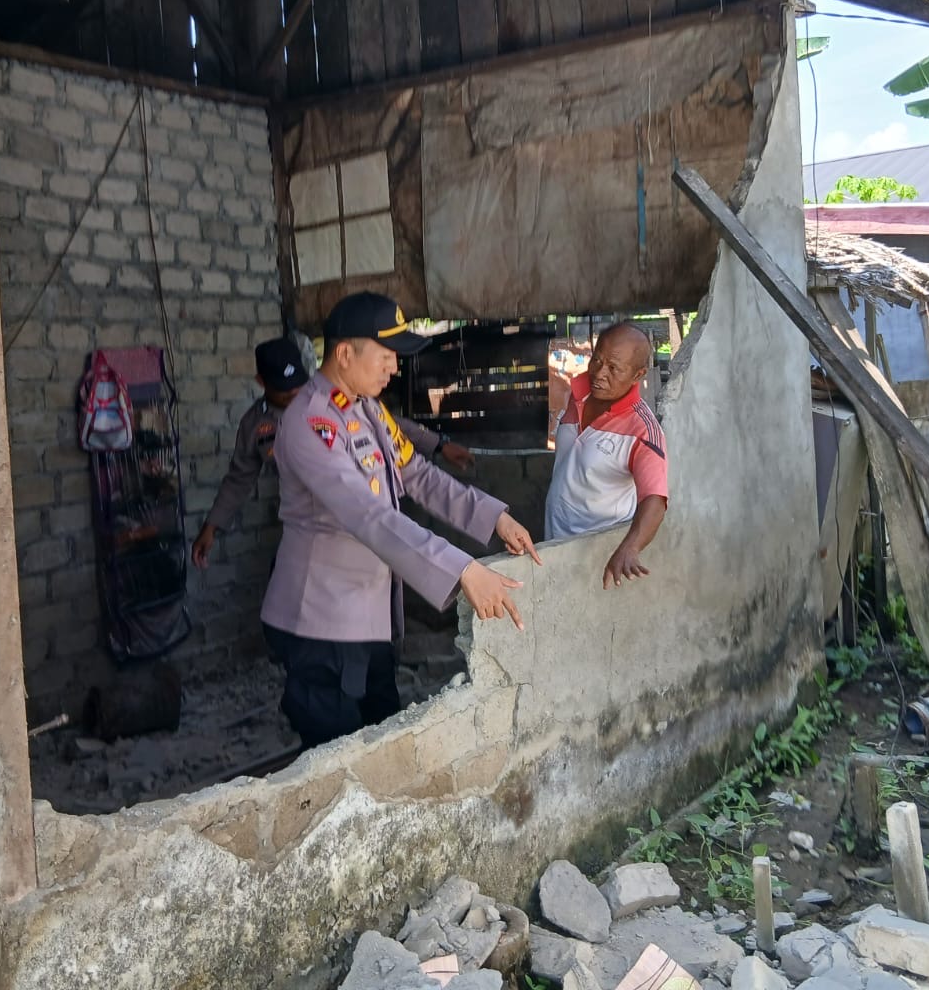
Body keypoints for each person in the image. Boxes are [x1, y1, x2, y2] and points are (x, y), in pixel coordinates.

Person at [261, 292, 540, 749]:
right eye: (387, 355)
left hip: (368, 614)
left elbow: (419, 475)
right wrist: (463, 569)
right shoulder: (312, 423)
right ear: (345, 353)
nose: (395, 367)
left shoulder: (366, 409)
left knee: (377, 737)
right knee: (336, 752)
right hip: (322, 621)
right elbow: (368, 516)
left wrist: (494, 518)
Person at [191, 337, 475, 569]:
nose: (295, 393)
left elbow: (389, 424)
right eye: (284, 390)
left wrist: (439, 444)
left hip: (365, 515)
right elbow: (239, 478)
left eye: (298, 384)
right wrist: (211, 526)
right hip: (314, 528)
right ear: (261, 382)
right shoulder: (255, 425)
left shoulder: (334, 399)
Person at [544, 322, 669, 589]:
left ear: (638, 375)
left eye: (613, 368)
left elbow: (655, 500)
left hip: (596, 558)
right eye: (597, 360)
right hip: (552, 542)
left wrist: (630, 547)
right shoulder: (578, 395)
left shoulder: (642, 430)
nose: (599, 373)